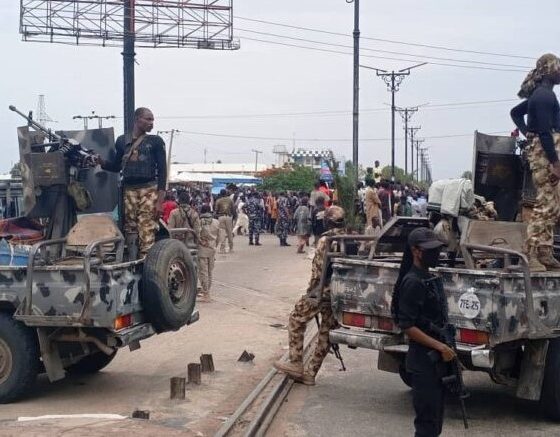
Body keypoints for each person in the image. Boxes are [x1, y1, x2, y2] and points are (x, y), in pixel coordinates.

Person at [274, 206, 347, 385]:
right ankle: (311, 373)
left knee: (296, 319)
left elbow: (318, 272)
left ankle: (296, 362)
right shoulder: (350, 238)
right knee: (326, 332)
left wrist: (312, 293)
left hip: (322, 291)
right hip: (340, 292)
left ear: (327, 221)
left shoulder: (326, 240)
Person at [391, 227, 453, 437]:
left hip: (435, 363)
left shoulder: (427, 277)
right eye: (430, 249)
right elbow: (406, 325)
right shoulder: (413, 281)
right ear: (416, 251)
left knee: (434, 423)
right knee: (427, 425)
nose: (436, 253)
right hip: (423, 364)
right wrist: (440, 346)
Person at [510, 53, 560, 271]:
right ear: (549, 70)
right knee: (546, 204)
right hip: (546, 154)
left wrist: (527, 134)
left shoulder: (541, 96)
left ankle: (545, 252)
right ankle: (529, 254)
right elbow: (545, 132)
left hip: (542, 150)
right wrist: (555, 162)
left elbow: (515, 113)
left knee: (554, 206)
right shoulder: (544, 96)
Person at [99, 107, 166, 257]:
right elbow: (116, 166)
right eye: (148, 119)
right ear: (137, 119)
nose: (152, 123)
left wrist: (160, 201)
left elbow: (163, 172)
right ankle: (133, 259)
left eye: (152, 119)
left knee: (146, 227)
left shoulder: (155, 141)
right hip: (129, 190)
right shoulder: (122, 141)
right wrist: (101, 162)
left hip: (149, 189)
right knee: (130, 227)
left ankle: (146, 264)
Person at [197, 204, 219, 301]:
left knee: (203, 272)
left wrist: (201, 242)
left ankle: (206, 294)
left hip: (202, 249)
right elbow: (220, 237)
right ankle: (207, 291)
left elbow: (196, 234)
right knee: (210, 272)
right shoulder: (216, 222)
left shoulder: (199, 222)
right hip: (212, 248)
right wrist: (214, 245)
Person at [215, 189, 235, 254]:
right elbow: (233, 210)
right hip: (229, 217)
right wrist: (233, 217)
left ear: (220, 194)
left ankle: (222, 249)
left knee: (222, 233)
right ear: (226, 193)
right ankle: (231, 248)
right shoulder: (230, 200)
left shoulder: (218, 201)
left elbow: (216, 210)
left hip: (221, 217)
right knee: (229, 233)